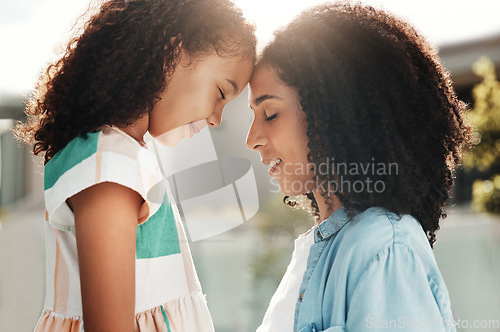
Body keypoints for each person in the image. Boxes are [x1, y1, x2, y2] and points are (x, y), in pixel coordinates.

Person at [14, 0, 255, 331]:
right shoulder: (110, 167)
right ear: (172, 48)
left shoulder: (119, 156)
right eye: (220, 92)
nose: (215, 119)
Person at [246, 3, 471, 332]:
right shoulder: (323, 250)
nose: (251, 139)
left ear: (333, 111)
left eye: (270, 113)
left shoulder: (383, 248)